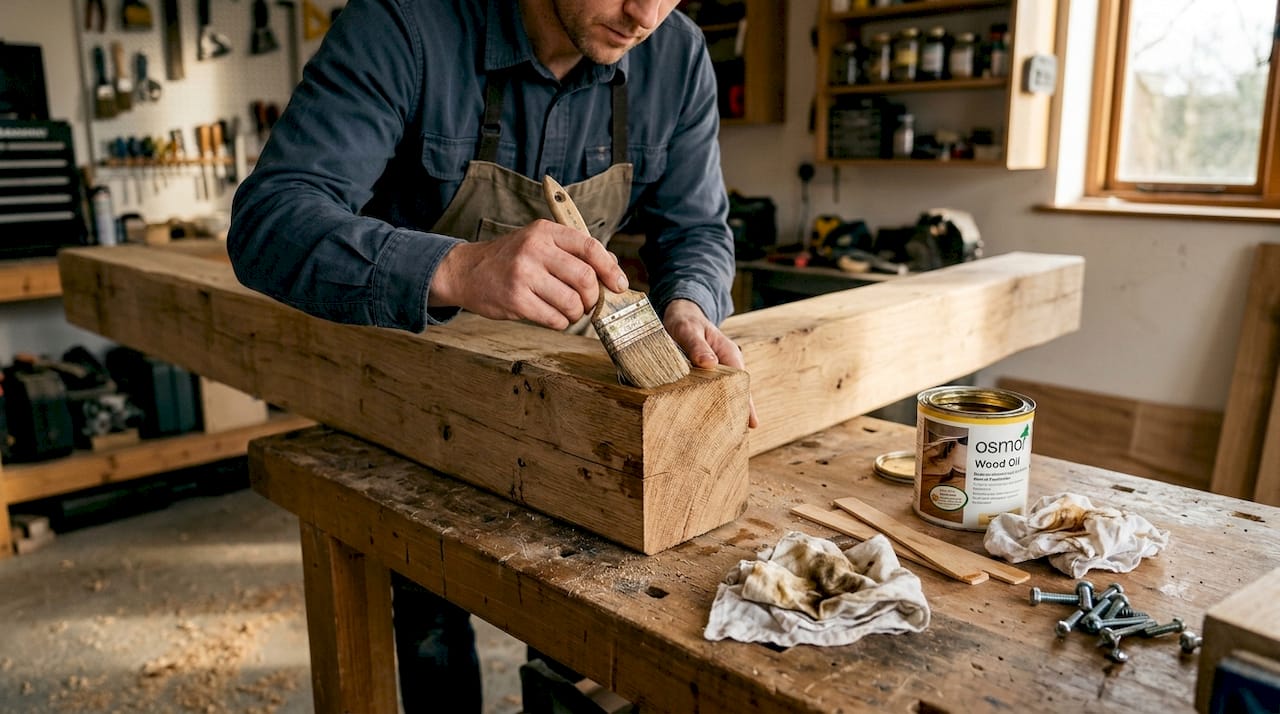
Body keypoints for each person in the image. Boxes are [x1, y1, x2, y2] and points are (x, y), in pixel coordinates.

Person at [227, 0, 756, 709]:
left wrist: (690, 303)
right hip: (409, 382)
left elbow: (696, 227)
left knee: (582, 624)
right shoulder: (404, 24)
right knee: (428, 616)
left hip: (567, 393)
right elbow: (270, 220)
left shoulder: (678, 54)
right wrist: (456, 270)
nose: (643, 14)